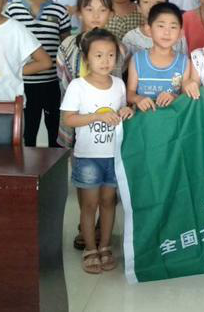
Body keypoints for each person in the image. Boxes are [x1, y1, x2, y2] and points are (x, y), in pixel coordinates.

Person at [60, 28, 133, 274]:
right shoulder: (78, 86)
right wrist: (94, 117)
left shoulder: (119, 84)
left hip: (113, 156)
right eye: (98, 55)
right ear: (86, 58)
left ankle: (105, 246)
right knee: (89, 205)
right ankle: (90, 248)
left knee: (109, 202)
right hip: (88, 157)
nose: (105, 61)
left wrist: (126, 111)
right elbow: (69, 119)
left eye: (111, 55)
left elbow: (121, 112)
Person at [57, 0, 121, 250]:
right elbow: (63, 83)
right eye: (89, 9)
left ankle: (99, 231)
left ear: (110, 14)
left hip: (108, 132)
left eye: (102, 9)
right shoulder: (67, 45)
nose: (96, 15)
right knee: (86, 184)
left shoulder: (118, 46)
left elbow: (119, 86)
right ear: (79, 12)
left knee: (107, 192)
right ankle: (85, 228)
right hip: (77, 124)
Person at [5, 0, 71, 147]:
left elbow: (66, 47)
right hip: (22, 84)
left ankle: (56, 166)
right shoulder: (12, 11)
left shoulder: (59, 11)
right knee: (27, 133)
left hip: (52, 84)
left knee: (55, 132)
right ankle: (26, 167)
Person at [127, 2, 192, 111]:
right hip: (144, 118)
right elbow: (130, 94)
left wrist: (174, 97)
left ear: (180, 33)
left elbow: (186, 97)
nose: (167, 32)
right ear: (149, 30)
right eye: (161, 26)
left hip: (173, 118)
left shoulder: (185, 62)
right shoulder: (137, 59)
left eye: (173, 27)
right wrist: (138, 99)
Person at [121, 0, 186, 58]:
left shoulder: (177, 36)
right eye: (146, 1)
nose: (152, 6)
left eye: (158, 1)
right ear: (138, 7)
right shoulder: (130, 38)